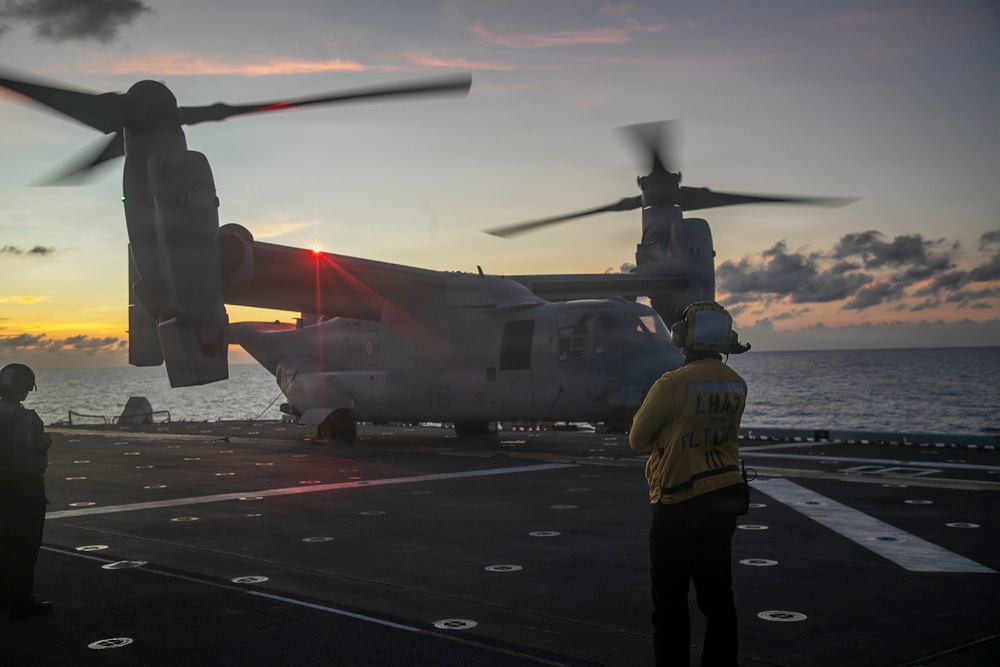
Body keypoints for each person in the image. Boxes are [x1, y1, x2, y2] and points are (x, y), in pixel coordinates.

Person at [629, 301, 751, 666]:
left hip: (678, 499)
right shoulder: (737, 384)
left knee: (670, 602)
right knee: (718, 596)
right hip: (724, 496)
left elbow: (637, 438)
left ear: (682, 337)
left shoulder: (671, 383)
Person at [0, 363, 54, 621]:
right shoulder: (25, 418)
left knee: (4, 544)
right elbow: (24, 453)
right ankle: (21, 601)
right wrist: (45, 442)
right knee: (24, 546)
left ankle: (4, 597)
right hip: (25, 488)